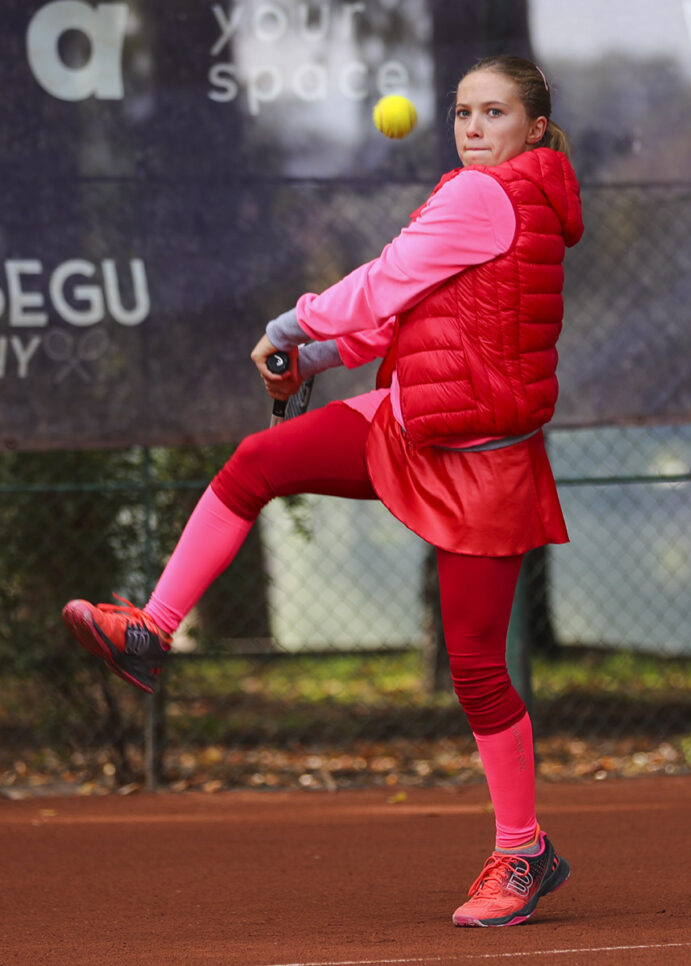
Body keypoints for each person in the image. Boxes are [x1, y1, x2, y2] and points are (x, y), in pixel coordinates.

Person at [62, 54, 583, 928]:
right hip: (416, 420)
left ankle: (522, 852)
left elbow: (378, 283)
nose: (471, 128)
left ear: (532, 128)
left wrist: (288, 325)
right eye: (462, 112)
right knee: (253, 468)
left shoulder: (479, 196)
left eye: (493, 114)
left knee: (478, 673)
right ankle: (150, 631)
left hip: (480, 462)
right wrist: (313, 356)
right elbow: (404, 312)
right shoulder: (516, 196)